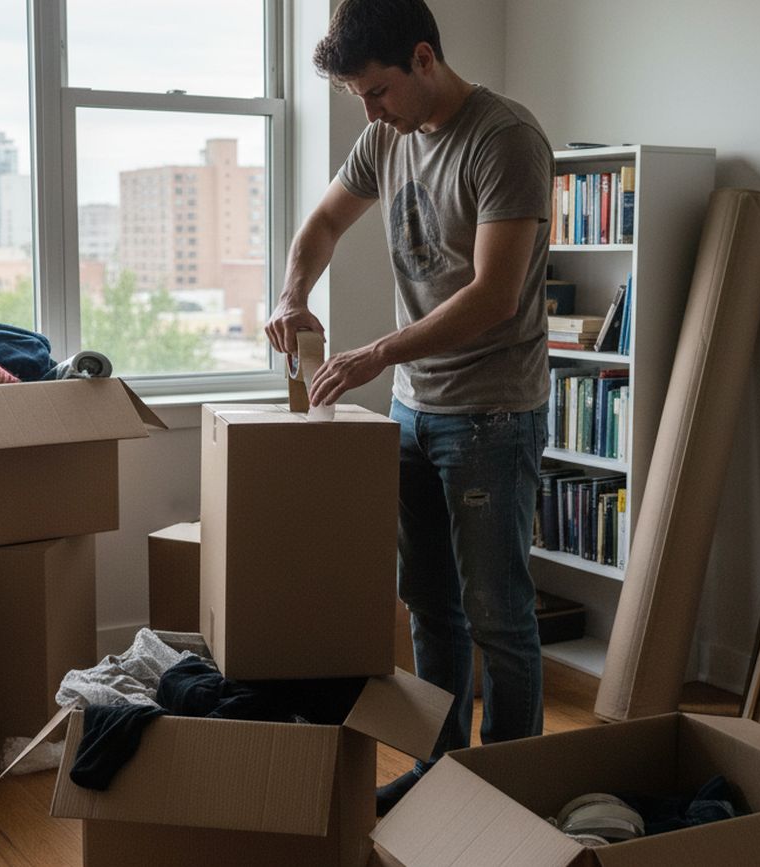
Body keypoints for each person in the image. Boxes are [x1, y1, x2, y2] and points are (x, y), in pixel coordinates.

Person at [264, 0, 554, 816]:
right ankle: (444, 772)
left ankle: (511, 792)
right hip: (416, 411)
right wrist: (293, 294)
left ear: (424, 59)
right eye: (358, 95)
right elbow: (323, 221)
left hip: (492, 415)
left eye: (378, 91)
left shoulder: (505, 140)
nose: (370, 111)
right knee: (430, 605)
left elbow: (495, 295)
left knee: (499, 614)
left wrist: (375, 353)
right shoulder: (385, 133)